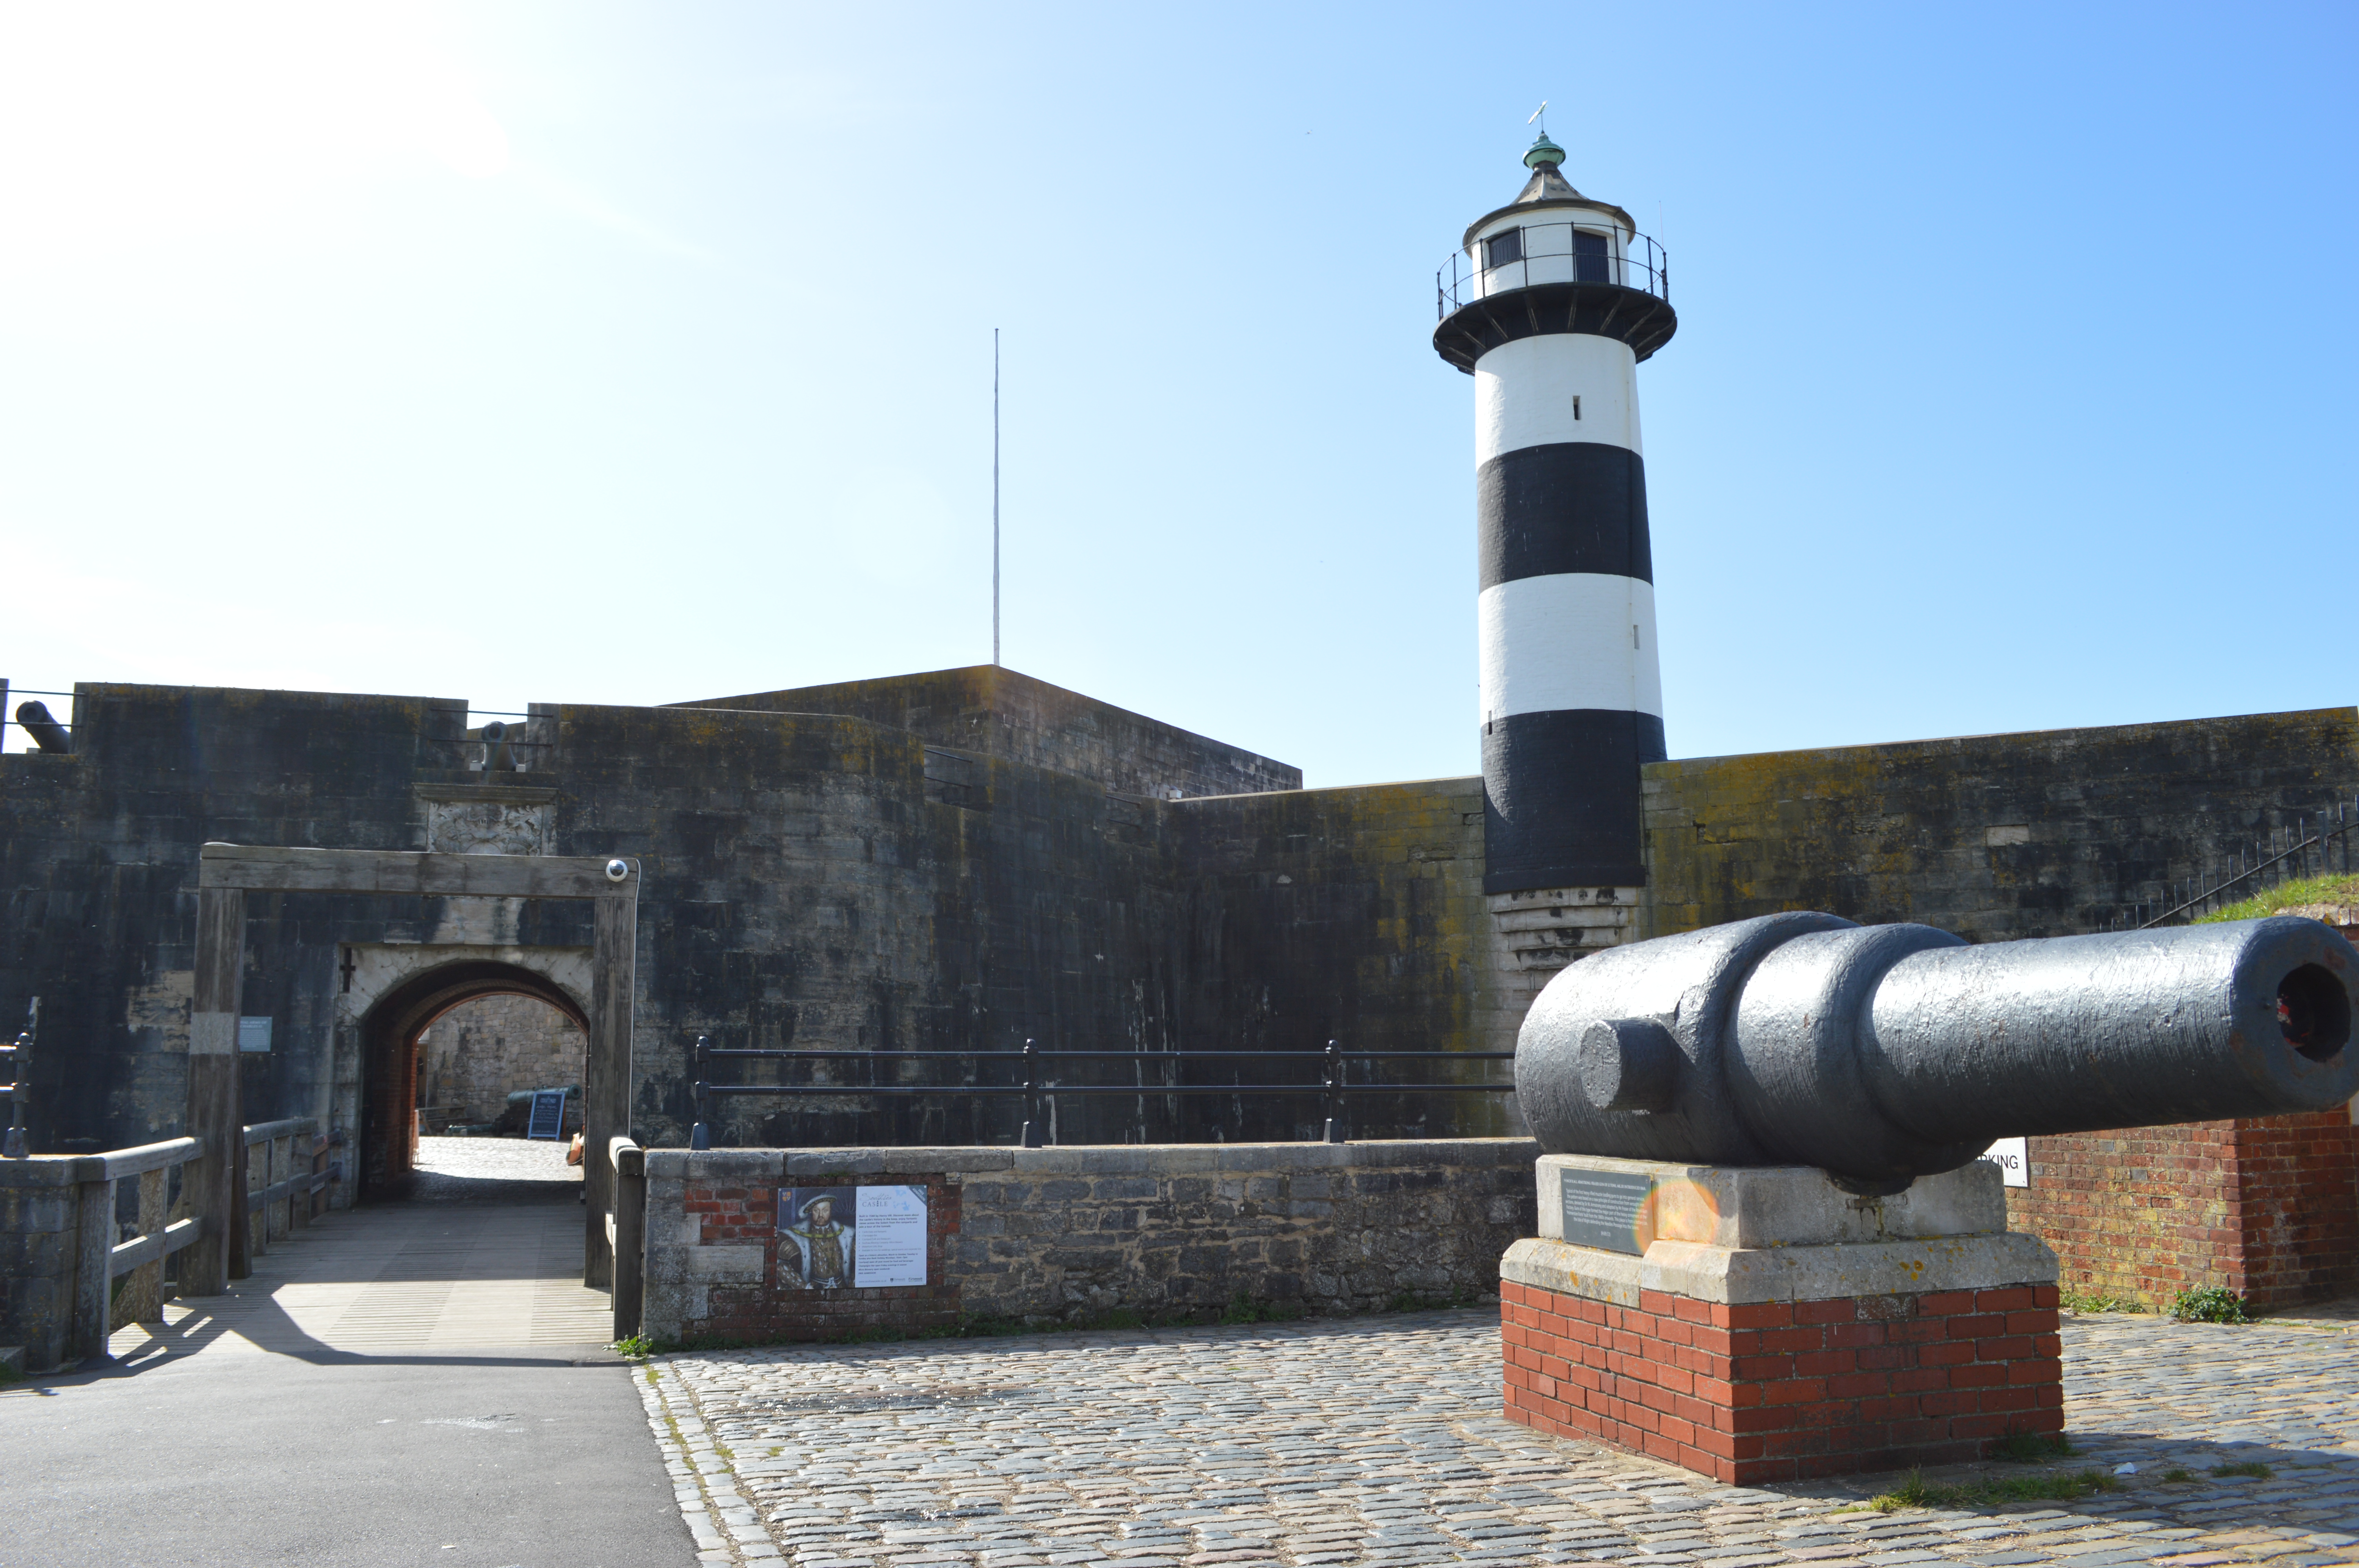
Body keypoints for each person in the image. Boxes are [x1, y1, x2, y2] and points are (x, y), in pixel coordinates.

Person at [778, 1192, 853, 1289]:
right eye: (816, 1211)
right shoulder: (796, 1235)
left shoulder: (847, 1234)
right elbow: (781, 1266)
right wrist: (805, 1287)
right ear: (811, 1212)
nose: (821, 1215)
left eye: (825, 1210)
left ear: (831, 1211)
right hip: (815, 1288)